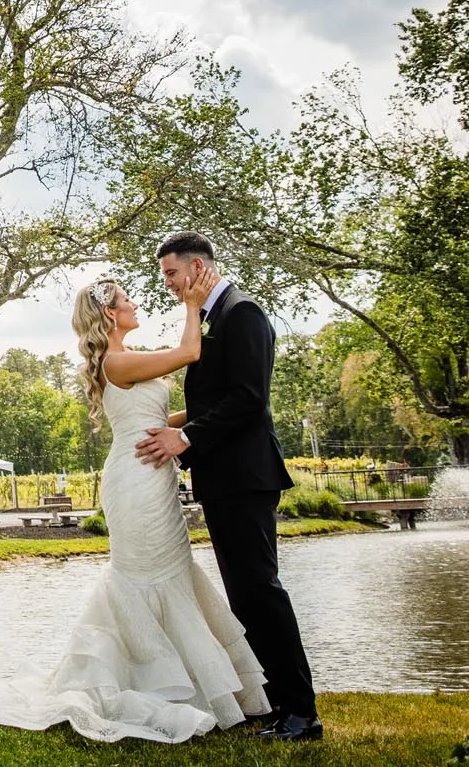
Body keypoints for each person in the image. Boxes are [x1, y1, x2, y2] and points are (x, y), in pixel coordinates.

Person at [0, 268, 270, 742]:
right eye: (128, 301)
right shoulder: (115, 362)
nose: (136, 305)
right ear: (111, 313)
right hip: (137, 484)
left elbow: (152, 417)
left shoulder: (123, 360)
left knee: (169, 575)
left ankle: (185, 685)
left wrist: (211, 413)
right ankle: (155, 686)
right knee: (145, 580)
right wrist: (192, 301)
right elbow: (190, 351)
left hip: (151, 475)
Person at [134, 232, 321, 741]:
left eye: (171, 274)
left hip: (246, 477)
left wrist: (186, 438)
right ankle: (278, 703)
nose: (168, 284)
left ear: (196, 267)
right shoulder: (215, 317)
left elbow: (249, 400)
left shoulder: (242, 313)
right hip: (225, 477)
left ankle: (302, 712)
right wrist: (166, 425)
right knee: (245, 595)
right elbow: (217, 397)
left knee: (261, 591)